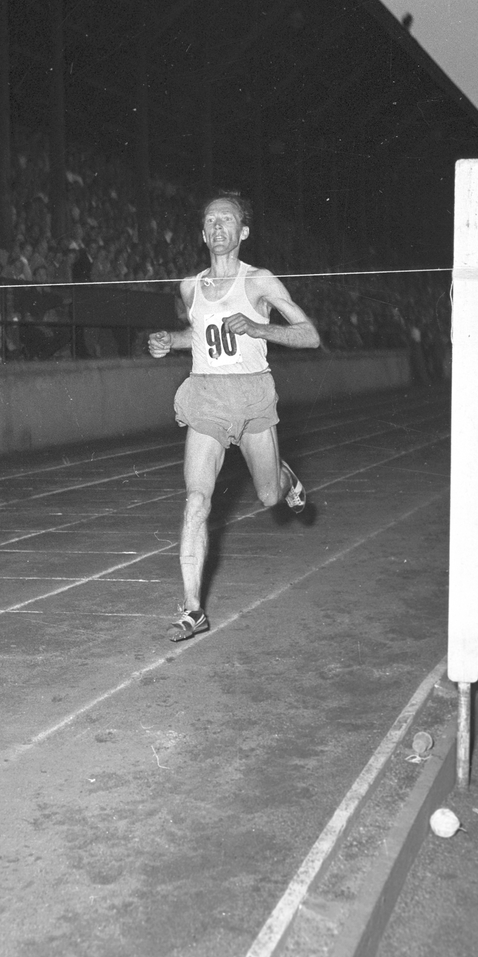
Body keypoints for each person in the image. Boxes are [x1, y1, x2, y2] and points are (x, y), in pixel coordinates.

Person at [147, 192, 320, 641]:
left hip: (251, 395)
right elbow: (199, 334)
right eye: (210, 221)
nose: (217, 226)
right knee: (196, 501)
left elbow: (309, 335)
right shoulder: (189, 287)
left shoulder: (259, 280)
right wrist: (170, 340)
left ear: (243, 231)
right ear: (203, 234)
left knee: (268, 496)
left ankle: (286, 478)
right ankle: (192, 608)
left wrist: (258, 327)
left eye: (226, 219)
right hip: (206, 395)